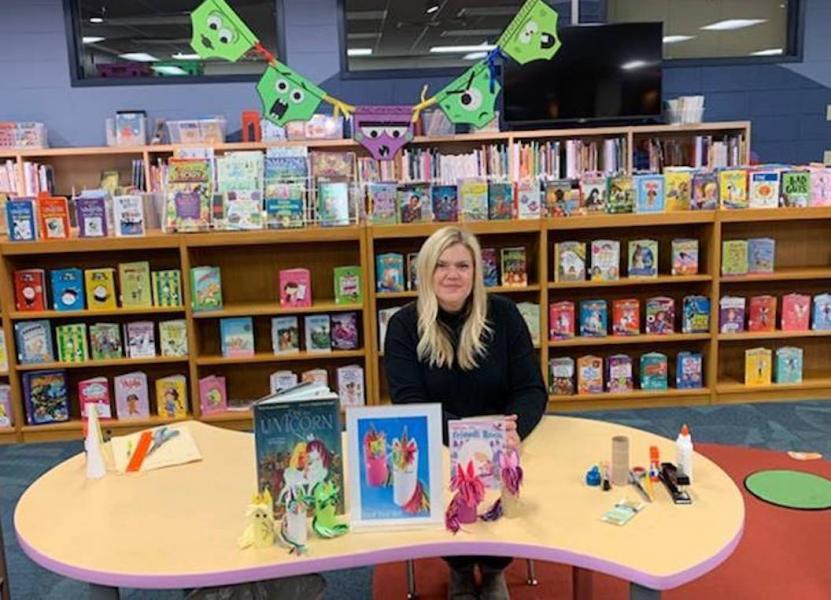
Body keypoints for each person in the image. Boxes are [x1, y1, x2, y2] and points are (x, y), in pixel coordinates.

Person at [383, 226, 547, 600]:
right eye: (441, 265)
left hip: (501, 439)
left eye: (462, 265)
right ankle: (458, 568)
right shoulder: (404, 326)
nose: (452, 275)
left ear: (476, 272)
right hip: (439, 441)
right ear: (425, 272)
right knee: (444, 478)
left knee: (508, 476)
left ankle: (493, 570)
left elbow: (531, 389)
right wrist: (464, 441)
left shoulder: (504, 315)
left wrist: (512, 431)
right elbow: (409, 402)